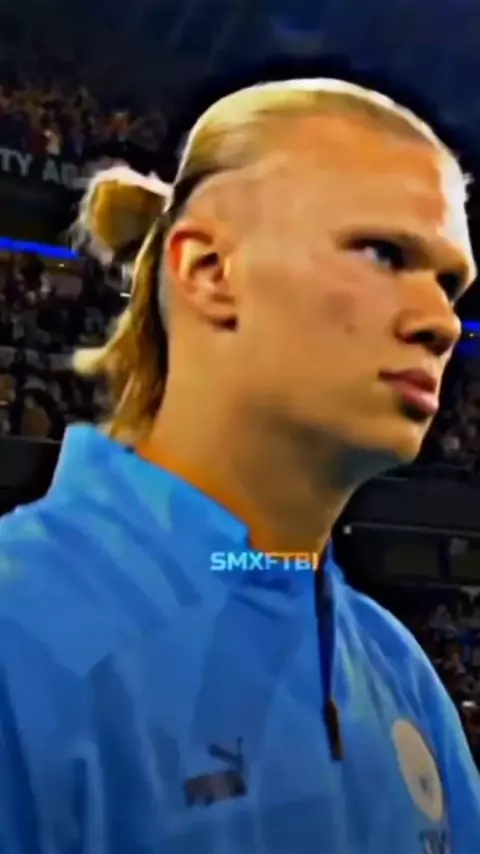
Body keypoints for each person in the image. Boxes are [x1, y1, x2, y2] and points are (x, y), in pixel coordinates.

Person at [0, 78, 478, 854]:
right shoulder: (20, 632)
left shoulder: (400, 672)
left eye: (449, 284)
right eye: (383, 253)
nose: (442, 323)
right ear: (211, 270)